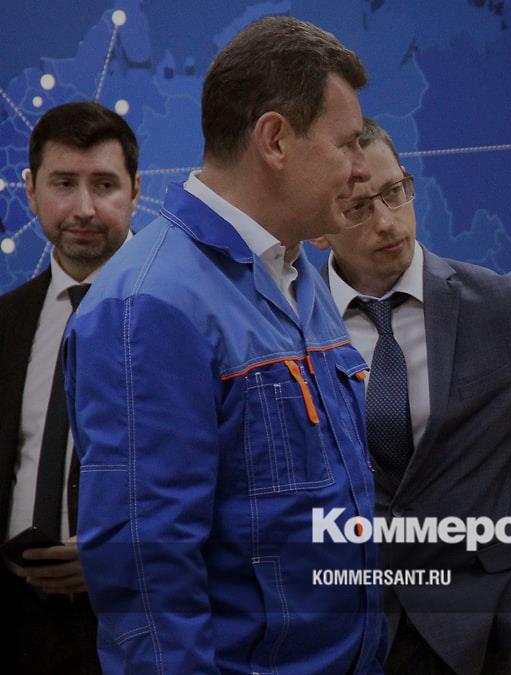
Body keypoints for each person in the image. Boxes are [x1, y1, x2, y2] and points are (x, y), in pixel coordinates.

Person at [63, 17, 387, 673]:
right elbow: (149, 584)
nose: (362, 168)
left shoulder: (298, 277)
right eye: (348, 144)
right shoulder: (150, 306)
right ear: (275, 140)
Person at [311, 117, 511, 675]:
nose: (387, 220)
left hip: (476, 637)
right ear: (319, 228)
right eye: (358, 207)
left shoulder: (500, 308)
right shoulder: (287, 321)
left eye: (394, 192)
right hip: (332, 633)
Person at [0, 101, 138, 674]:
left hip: (139, 618)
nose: (83, 208)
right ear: (31, 191)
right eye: (63, 184)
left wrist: (125, 550)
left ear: (135, 192)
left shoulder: (181, 314)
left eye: (104, 184)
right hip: (18, 624)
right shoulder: (7, 321)